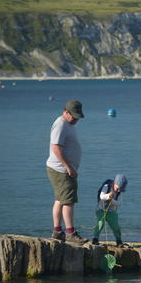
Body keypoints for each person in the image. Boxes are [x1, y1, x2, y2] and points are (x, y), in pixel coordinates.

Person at [46, 99, 88, 244]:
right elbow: (56, 148)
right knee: (68, 201)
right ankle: (70, 233)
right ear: (66, 112)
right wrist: (68, 167)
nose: (76, 119)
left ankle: (57, 231)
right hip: (62, 170)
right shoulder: (60, 124)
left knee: (60, 199)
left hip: (61, 169)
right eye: (74, 116)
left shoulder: (68, 124)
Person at [92, 174, 128, 247]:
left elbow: (119, 203)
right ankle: (95, 239)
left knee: (116, 227)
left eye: (120, 189)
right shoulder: (106, 187)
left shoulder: (119, 192)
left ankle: (118, 240)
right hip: (101, 210)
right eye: (118, 188)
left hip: (112, 212)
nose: (119, 190)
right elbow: (101, 196)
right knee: (100, 224)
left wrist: (112, 201)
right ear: (114, 183)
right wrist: (108, 196)